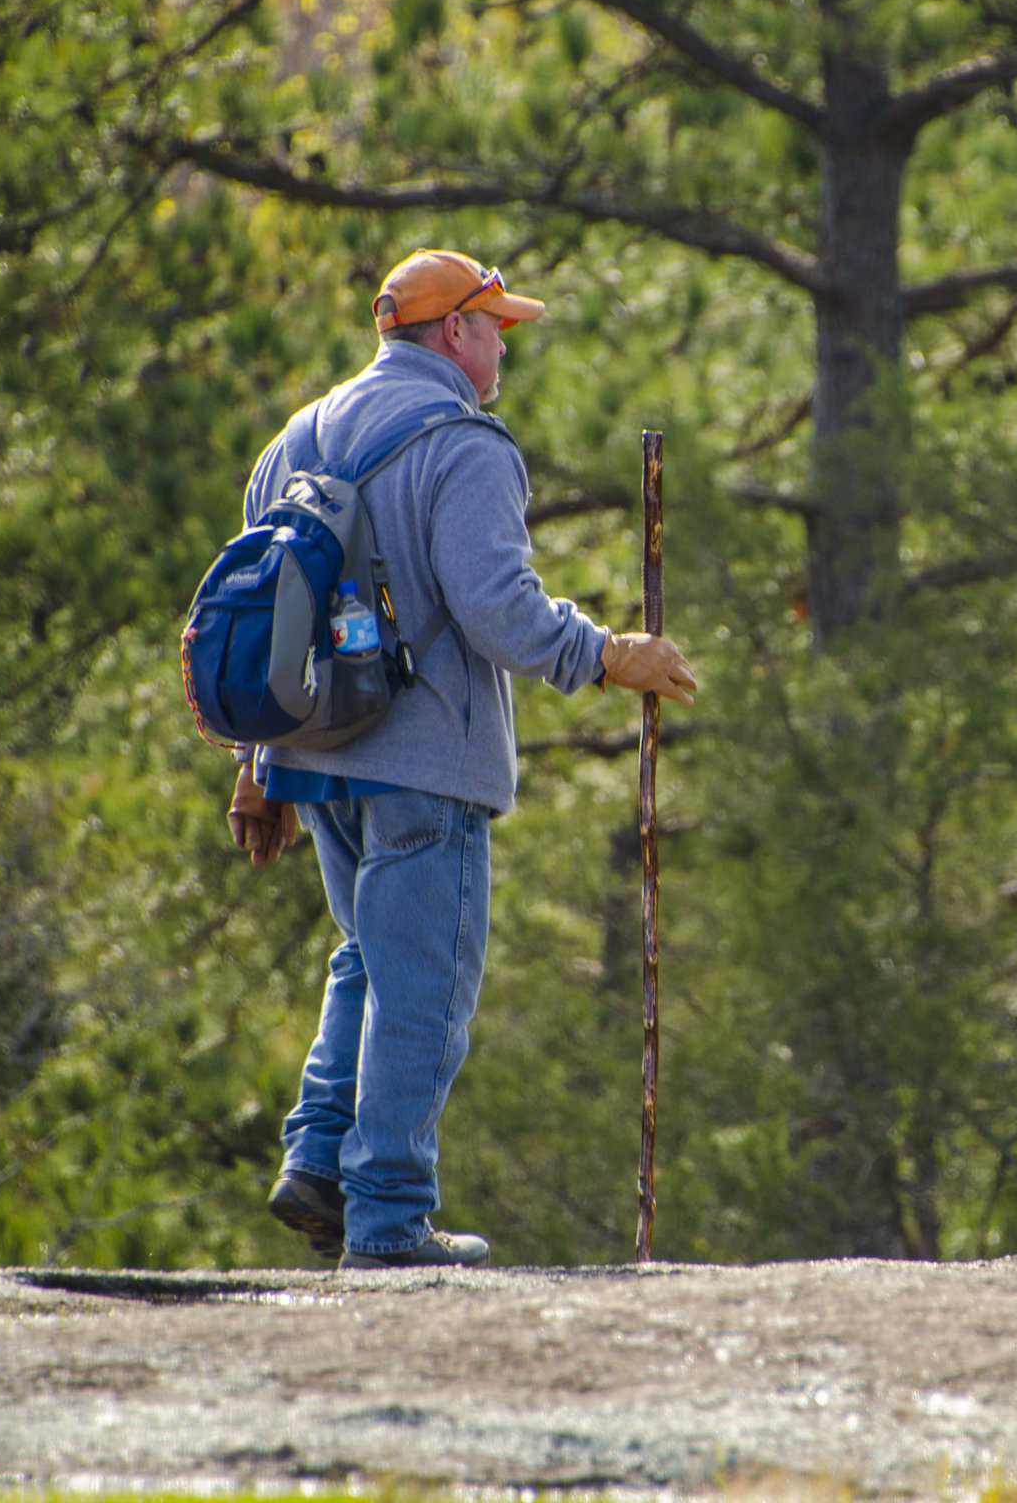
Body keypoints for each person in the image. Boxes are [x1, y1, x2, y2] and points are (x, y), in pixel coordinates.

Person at [225, 248, 698, 1269]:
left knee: (367, 959)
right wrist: (611, 656)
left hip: (316, 763)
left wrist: (260, 765)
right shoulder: (465, 443)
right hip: (424, 764)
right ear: (453, 334)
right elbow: (497, 611)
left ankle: (316, 1161)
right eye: (498, 327)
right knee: (425, 986)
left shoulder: (292, 440)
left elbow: (267, 615)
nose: (505, 346)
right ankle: (390, 1222)